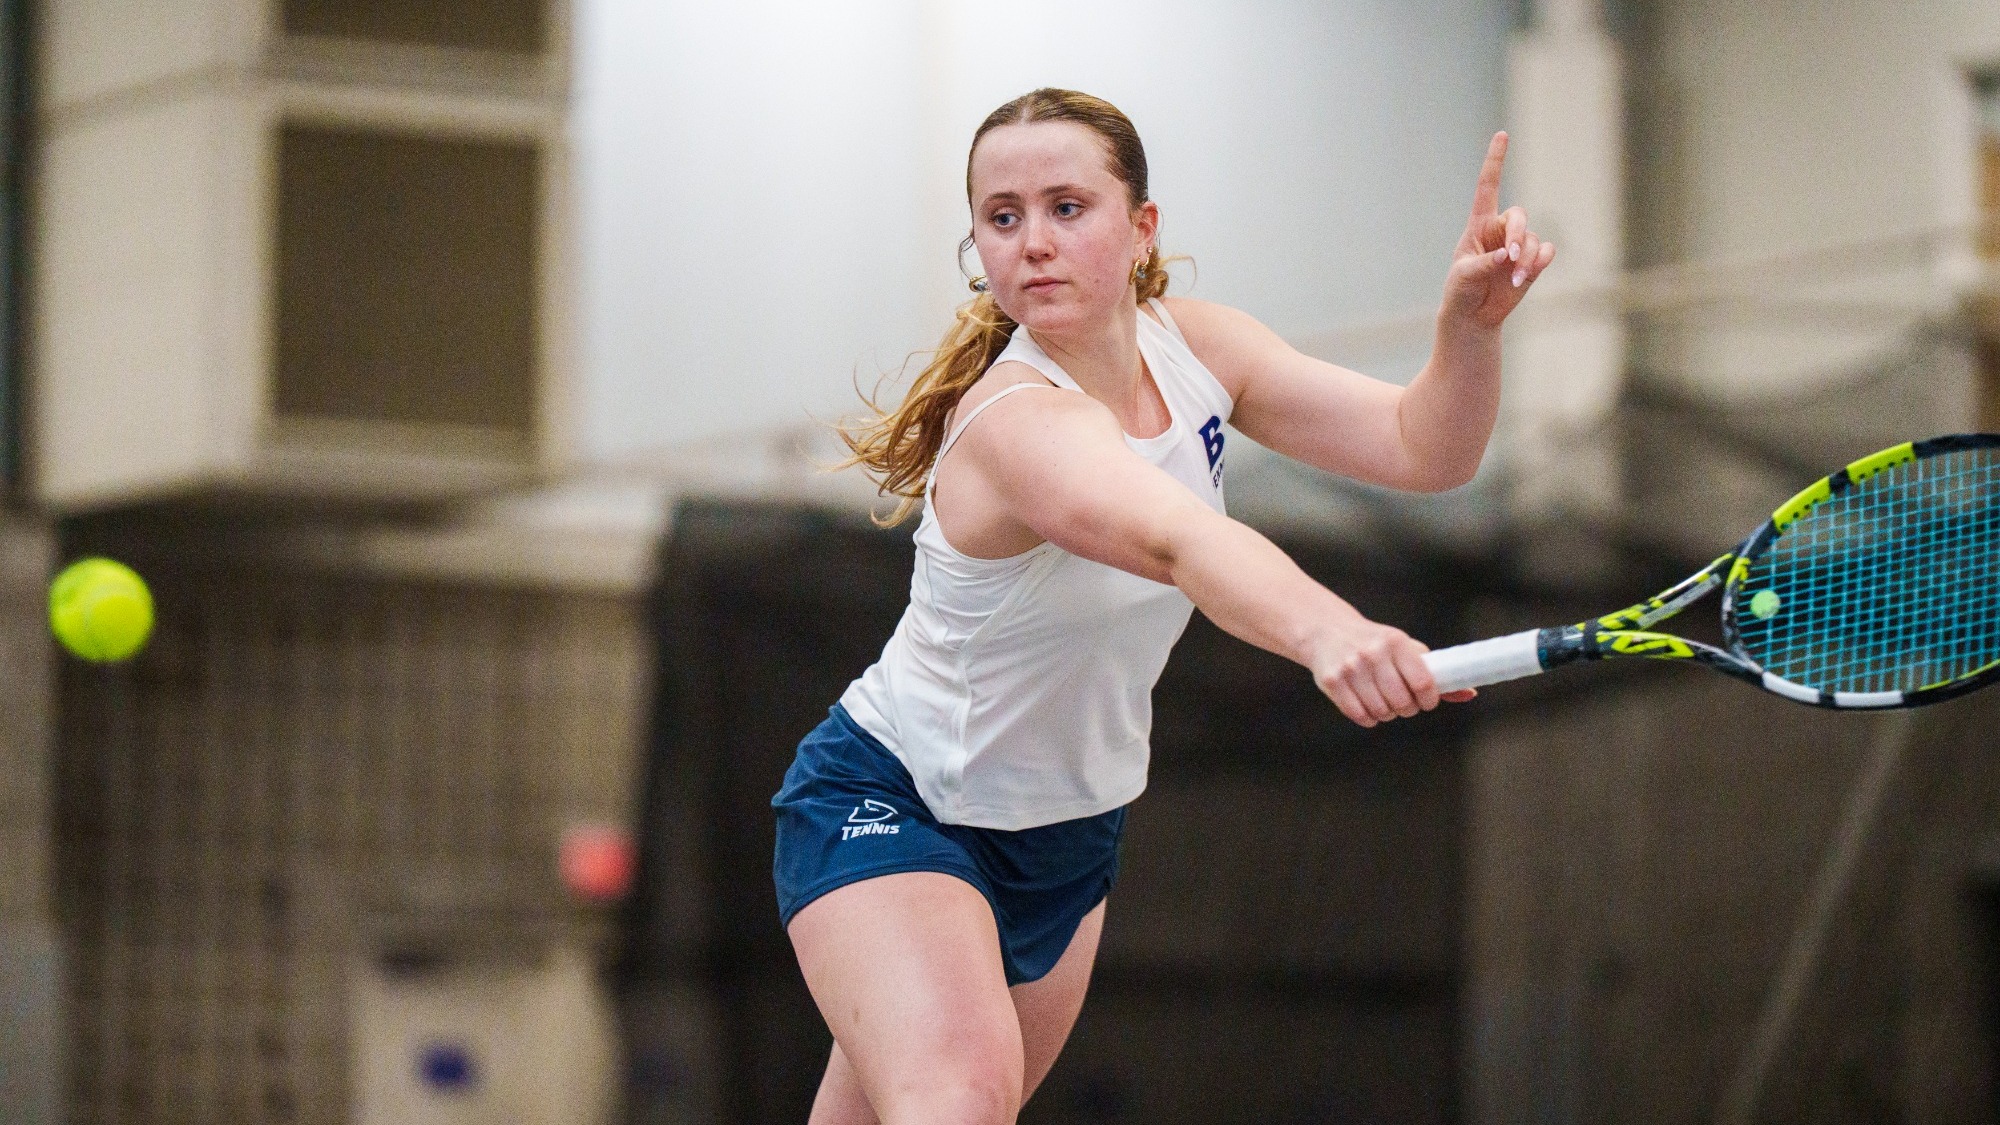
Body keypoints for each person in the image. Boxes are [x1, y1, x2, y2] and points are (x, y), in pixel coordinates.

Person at [771, 87, 1554, 1124]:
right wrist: (1333, 635)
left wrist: (1466, 330)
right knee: (957, 1097)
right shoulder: (1014, 421)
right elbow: (1177, 538)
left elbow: (1424, 448)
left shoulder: (1197, 351)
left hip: (1066, 833)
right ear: (977, 248)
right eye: (1002, 218)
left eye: (1067, 206)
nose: (1033, 242)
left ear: (1141, 229)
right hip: (893, 799)